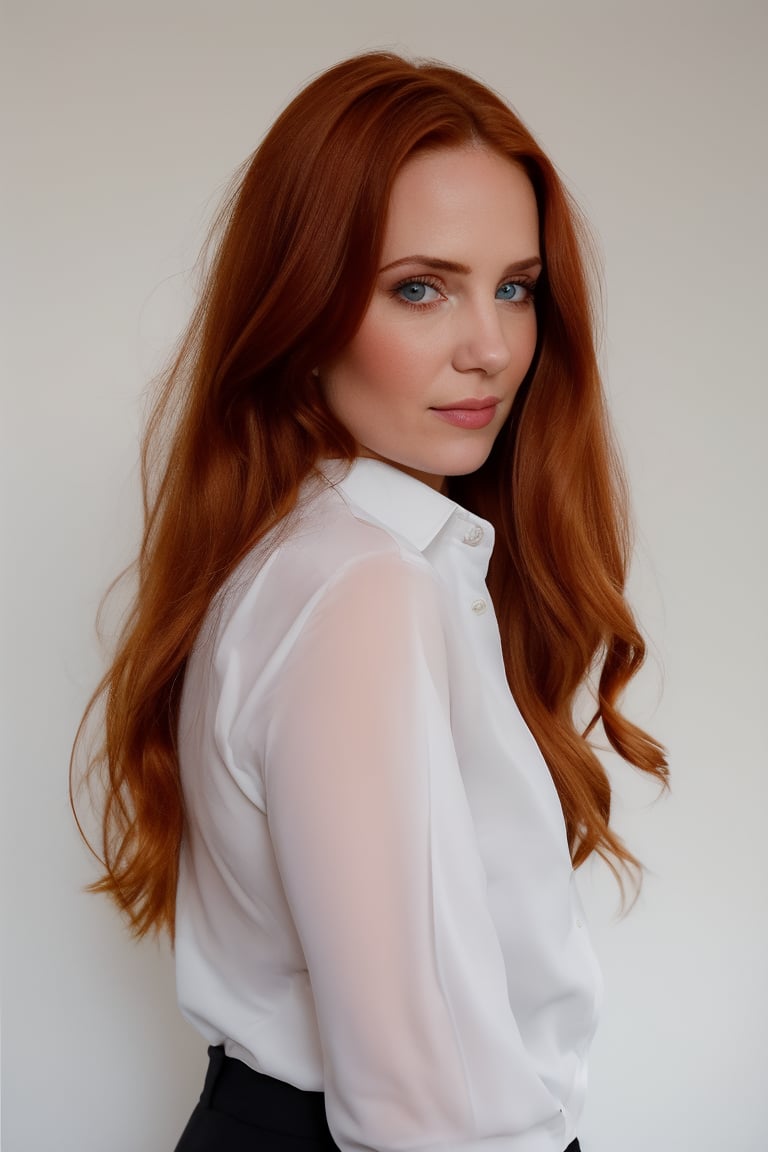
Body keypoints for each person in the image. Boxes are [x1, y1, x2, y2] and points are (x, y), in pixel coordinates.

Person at [72, 51, 668, 1152]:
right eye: (419, 287)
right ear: (300, 308)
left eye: (516, 288)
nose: (490, 347)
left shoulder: (323, 554)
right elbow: (411, 1104)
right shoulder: (365, 587)